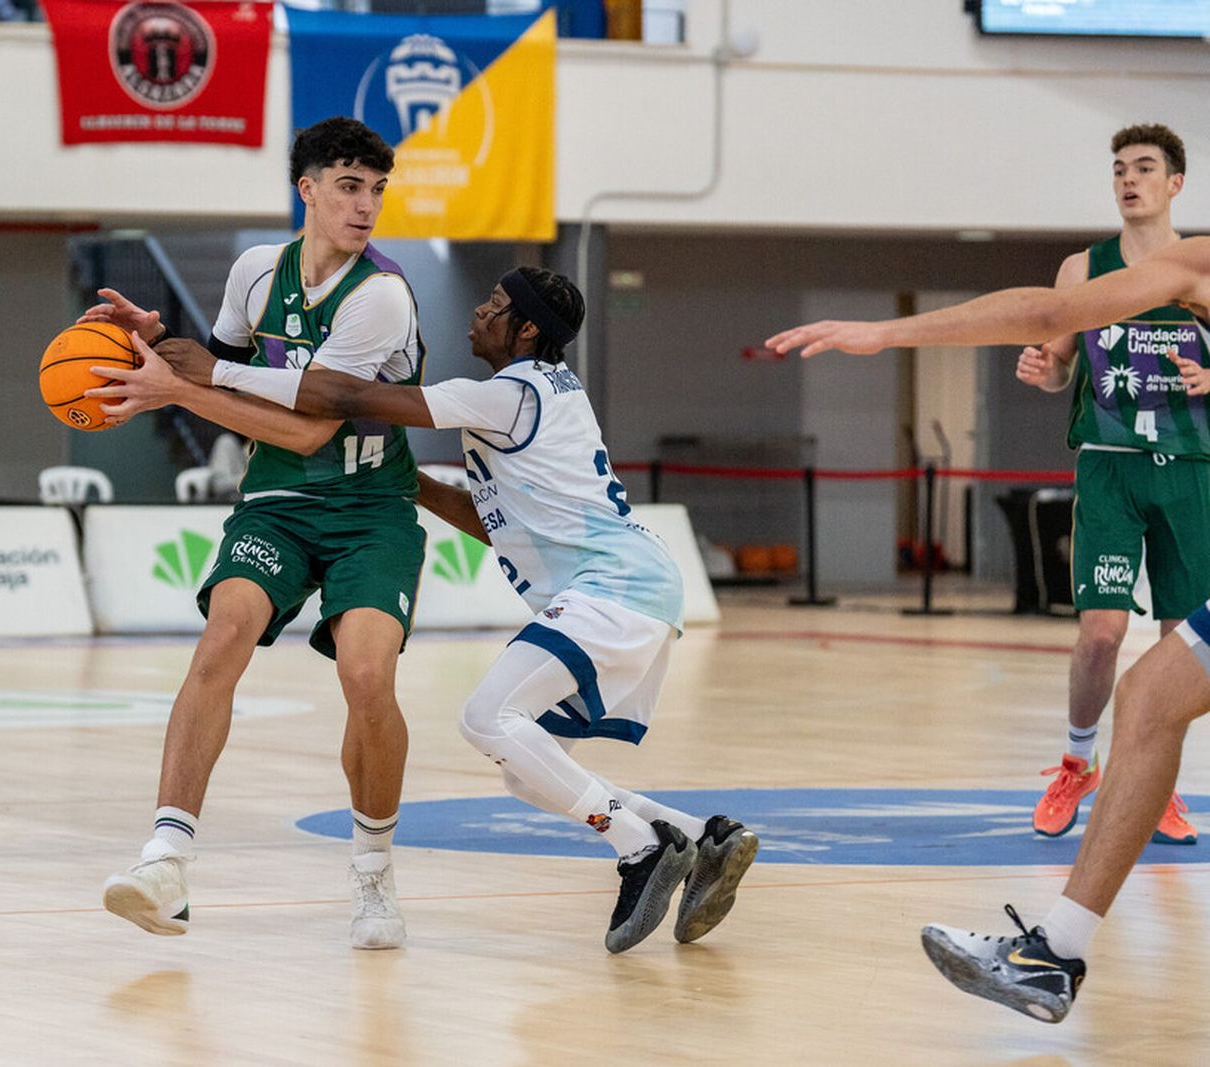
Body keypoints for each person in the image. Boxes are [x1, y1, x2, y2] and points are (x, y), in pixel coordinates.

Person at [146, 266, 759, 953]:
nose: (477, 311)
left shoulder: (504, 393)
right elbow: (492, 521)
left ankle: (639, 846)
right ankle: (694, 835)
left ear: (526, 330)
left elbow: (346, 393)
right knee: (526, 773)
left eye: (495, 306)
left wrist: (216, 373)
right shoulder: (551, 389)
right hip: (639, 586)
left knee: (485, 717)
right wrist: (411, 485)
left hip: (613, 587)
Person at [766, 229, 1210, 1021]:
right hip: (1117, 462)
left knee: (1150, 693)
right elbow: (1049, 310)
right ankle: (1052, 956)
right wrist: (888, 333)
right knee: (1148, 694)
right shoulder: (1194, 264)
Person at [84, 117, 428, 950]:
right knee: (223, 634)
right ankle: (166, 859)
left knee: (366, 675)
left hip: (369, 506)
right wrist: (160, 344)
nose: (366, 205)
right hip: (277, 499)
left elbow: (308, 421)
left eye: (377, 189)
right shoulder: (253, 272)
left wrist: (184, 382)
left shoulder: (381, 294)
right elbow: (219, 373)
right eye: (349, 186)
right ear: (305, 189)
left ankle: (374, 870)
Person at [1007, 125, 1202, 847]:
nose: (1129, 179)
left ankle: (1157, 784)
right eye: (1119, 168)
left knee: (1181, 645)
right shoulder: (1082, 269)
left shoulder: (1202, 265)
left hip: (1191, 466)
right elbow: (1060, 364)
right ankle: (1077, 763)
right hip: (1109, 461)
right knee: (1102, 634)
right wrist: (1046, 370)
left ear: (1175, 183)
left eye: (1145, 168)